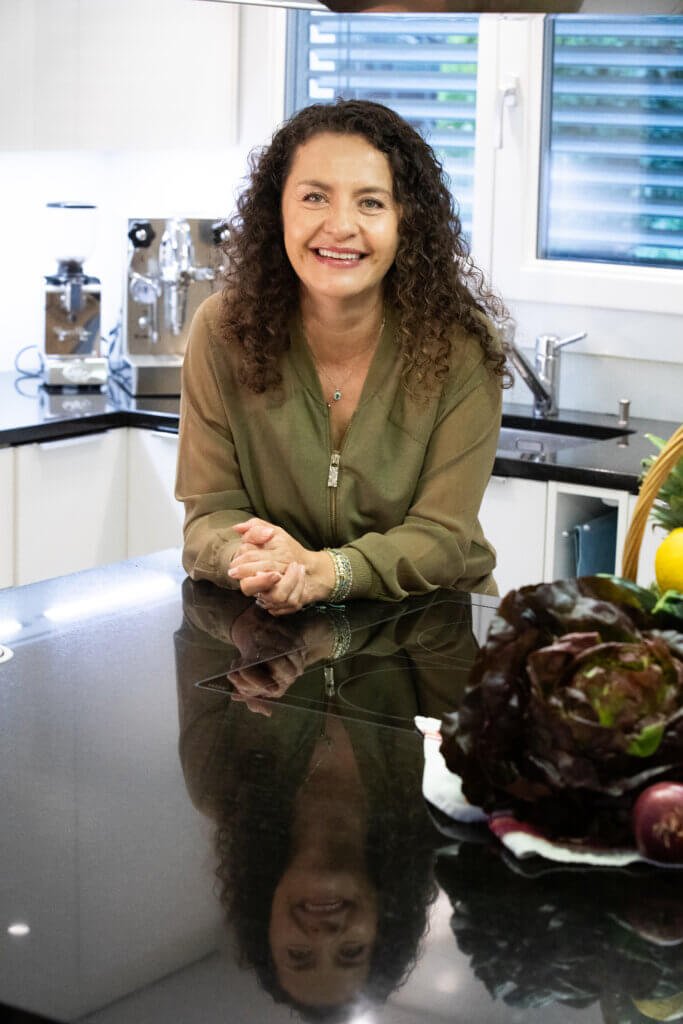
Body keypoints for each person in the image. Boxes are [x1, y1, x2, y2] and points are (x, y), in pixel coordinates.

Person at [176, 99, 507, 617]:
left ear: (405, 221)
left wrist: (325, 572)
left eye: (371, 203)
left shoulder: (461, 345)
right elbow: (210, 515)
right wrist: (255, 562)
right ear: (277, 210)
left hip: (434, 626)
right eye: (315, 197)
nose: (341, 225)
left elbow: (441, 540)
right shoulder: (222, 331)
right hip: (279, 622)